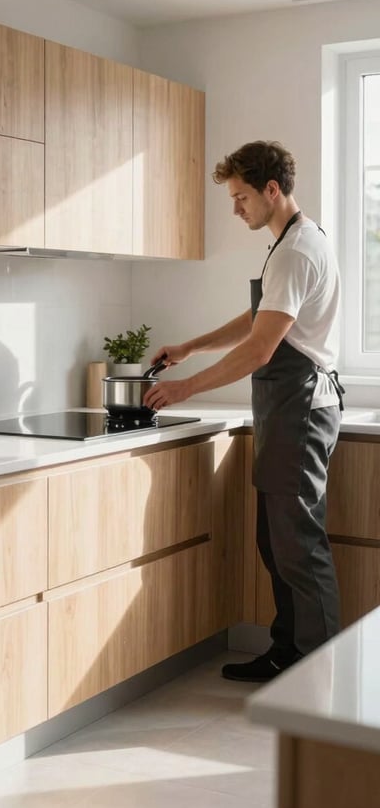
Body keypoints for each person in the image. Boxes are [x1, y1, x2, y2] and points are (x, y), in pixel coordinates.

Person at [142, 140, 344, 683]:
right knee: (276, 541)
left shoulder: (298, 249)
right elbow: (260, 320)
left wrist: (185, 390)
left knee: (298, 547)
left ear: (271, 190)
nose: (236, 209)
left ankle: (322, 679)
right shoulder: (290, 244)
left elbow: (260, 349)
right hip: (288, 409)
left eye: (241, 198)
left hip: (300, 409)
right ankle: (289, 654)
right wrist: (190, 347)